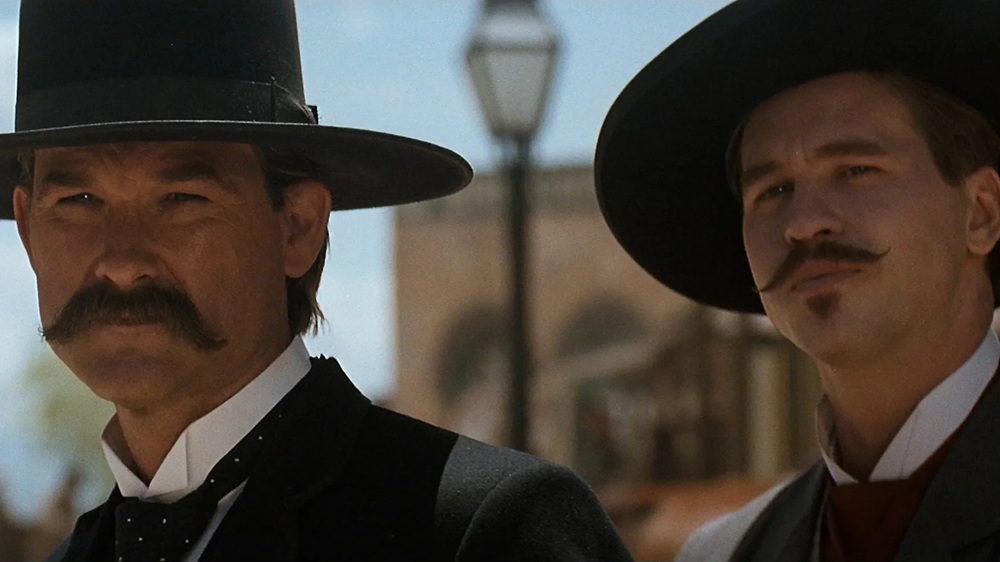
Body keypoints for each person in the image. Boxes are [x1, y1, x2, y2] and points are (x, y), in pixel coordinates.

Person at [3, 1, 634, 561]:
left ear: (298, 226)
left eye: (181, 198)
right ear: (29, 229)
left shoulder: (485, 533)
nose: (121, 261)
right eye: (78, 200)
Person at [594, 0, 1000, 560]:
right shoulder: (724, 554)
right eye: (773, 191)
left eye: (856, 170)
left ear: (980, 213)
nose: (803, 223)